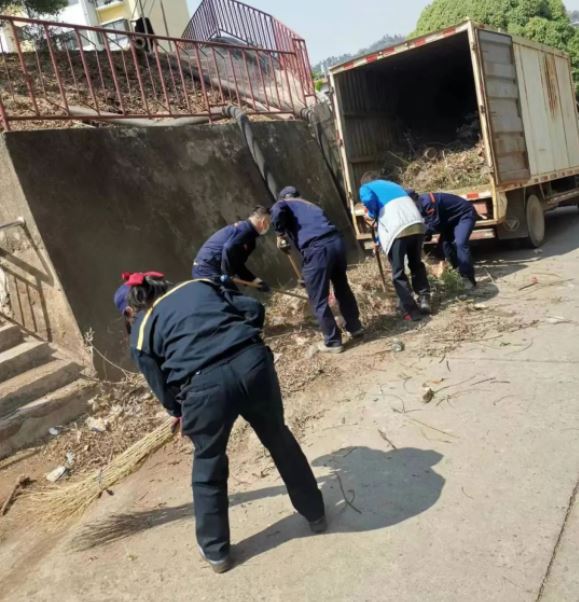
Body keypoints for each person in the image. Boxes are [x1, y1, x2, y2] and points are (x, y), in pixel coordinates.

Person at [113, 271, 326, 574]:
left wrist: (179, 409)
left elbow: (159, 383)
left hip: (204, 390)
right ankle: (315, 513)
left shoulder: (142, 327)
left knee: (209, 464)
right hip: (253, 365)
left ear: (130, 309)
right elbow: (254, 309)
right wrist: (245, 343)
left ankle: (216, 552)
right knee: (279, 439)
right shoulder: (199, 285)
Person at [270, 186, 363, 353]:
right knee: (342, 287)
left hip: (318, 248)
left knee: (318, 299)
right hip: (336, 243)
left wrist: (279, 234)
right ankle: (355, 327)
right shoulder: (310, 205)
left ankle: (333, 342)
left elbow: (277, 209)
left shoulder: (284, 204)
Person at [359, 173, 431, 321]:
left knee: (398, 272)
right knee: (416, 264)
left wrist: (371, 213)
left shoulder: (366, 187)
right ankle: (424, 299)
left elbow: (368, 200)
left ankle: (411, 311)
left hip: (398, 228)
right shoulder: (394, 185)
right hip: (417, 224)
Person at [409, 191, 478, 289]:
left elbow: (434, 224)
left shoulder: (428, 201)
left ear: (412, 199)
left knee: (460, 243)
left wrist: (422, 235)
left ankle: (468, 277)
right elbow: (427, 222)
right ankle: (458, 272)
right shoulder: (416, 206)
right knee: (446, 247)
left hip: (464, 215)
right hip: (449, 221)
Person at [192, 206, 271, 292]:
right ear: (263, 222)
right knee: (232, 296)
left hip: (206, 268)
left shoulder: (249, 237)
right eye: (269, 223)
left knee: (233, 295)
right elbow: (229, 248)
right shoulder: (246, 231)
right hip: (206, 269)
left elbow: (237, 264)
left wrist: (255, 281)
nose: (269, 226)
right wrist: (227, 274)